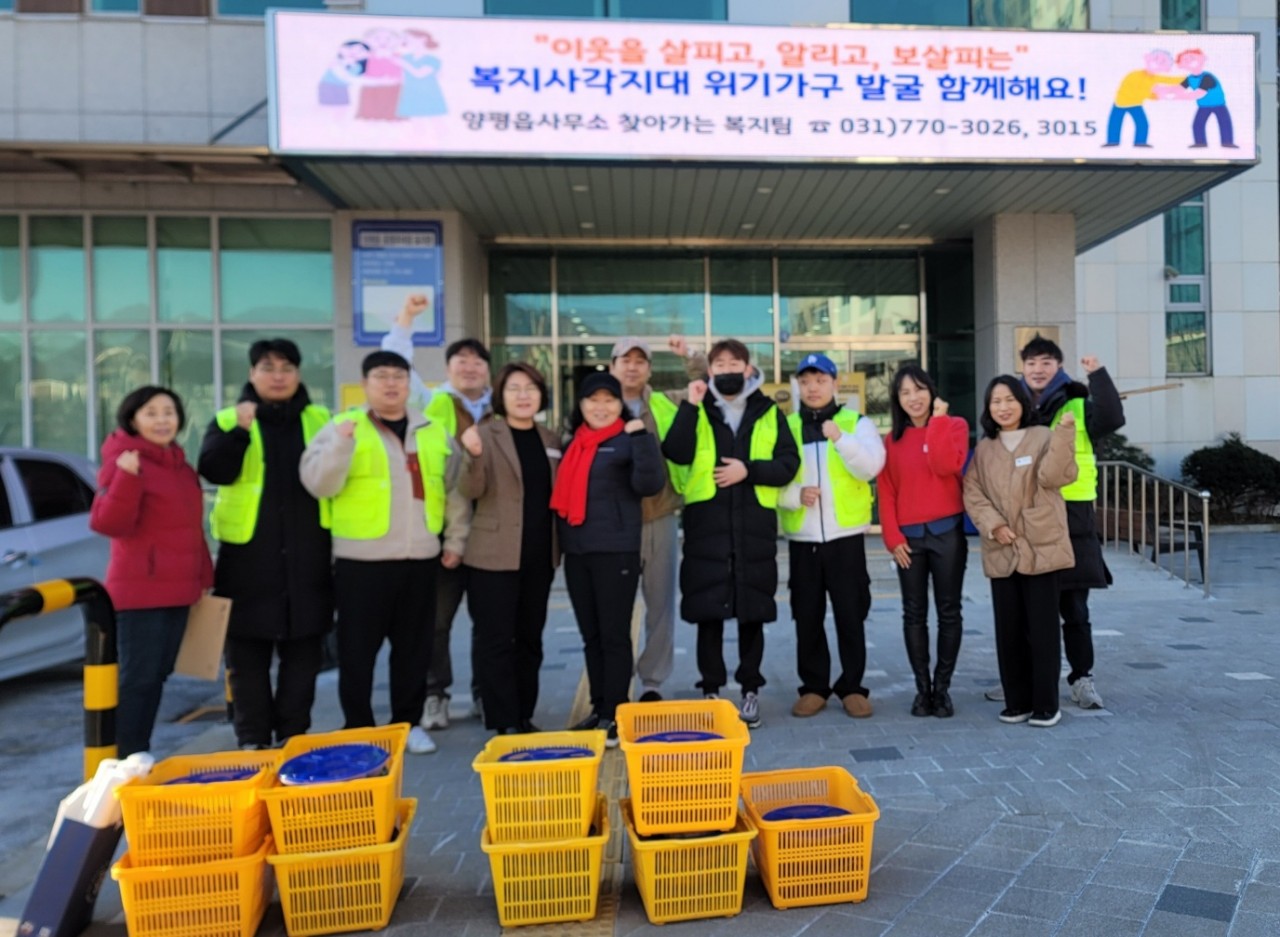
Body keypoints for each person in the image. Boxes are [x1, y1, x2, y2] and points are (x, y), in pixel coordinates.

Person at [300, 351, 468, 755]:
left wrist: (455, 540)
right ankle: (358, 726)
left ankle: (405, 725)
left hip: (420, 558)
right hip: (362, 561)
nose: (391, 384)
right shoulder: (342, 427)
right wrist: (340, 447)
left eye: (399, 376)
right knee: (358, 651)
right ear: (366, 383)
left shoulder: (431, 430)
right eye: (381, 376)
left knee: (414, 649)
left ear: (409, 383)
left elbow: (454, 491)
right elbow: (317, 483)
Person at [198, 338, 333, 751]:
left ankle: (293, 735)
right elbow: (214, 470)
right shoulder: (227, 419)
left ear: (298, 374)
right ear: (252, 374)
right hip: (247, 560)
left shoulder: (320, 419)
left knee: (304, 655)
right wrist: (239, 430)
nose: (278, 376)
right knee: (246, 659)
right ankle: (252, 738)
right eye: (268, 367)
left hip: (308, 557)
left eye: (287, 367)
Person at [661, 340, 800, 728]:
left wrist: (748, 470)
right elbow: (677, 452)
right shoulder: (698, 406)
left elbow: (789, 463)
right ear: (708, 369)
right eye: (718, 362)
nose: (726, 368)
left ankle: (750, 690)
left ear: (747, 368)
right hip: (707, 528)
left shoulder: (769, 410)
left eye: (733, 362)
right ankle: (711, 690)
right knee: (709, 612)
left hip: (754, 528)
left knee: (752, 611)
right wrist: (690, 404)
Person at [383, 293, 492, 731]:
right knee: (436, 623)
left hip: (492, 533)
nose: (469, 367)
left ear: (488, 368)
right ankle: (436, 695)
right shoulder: (433, 403)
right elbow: (399, 364)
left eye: (477, 361)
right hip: (444, 532)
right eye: (461, 361)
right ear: (448, 369)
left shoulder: (503, 406)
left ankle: (486, 694)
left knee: (490, 624)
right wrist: (407, 317)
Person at [90, 386, 213, 757]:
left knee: (156, 676)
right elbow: (108, 522)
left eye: (169, 412)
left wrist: (205, 579)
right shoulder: (124, 461)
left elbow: (193, 530)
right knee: (138, 680)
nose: (162, 420)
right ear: (132, 419)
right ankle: (125, 755)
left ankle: (137, 751)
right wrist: (127, 478)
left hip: (179, 591)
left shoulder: (179, 465)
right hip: (140, 593)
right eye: (151, 413)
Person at [555, 372, 665, 745]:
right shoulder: (575, 443)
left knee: (615, 635)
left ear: (621, 405)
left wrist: (641, 437)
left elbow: (649, 484)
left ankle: (615, 713)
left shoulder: (627, 440)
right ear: (581, 405)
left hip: (616, 551)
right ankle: (598, 707)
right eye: (592, 400)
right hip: (578, 553)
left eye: (609, 400)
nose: (600, 407)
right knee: (592, 636)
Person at [964, 376, 1078, 728]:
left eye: (1010, 399)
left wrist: (1065, 435)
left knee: (1042, 628)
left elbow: (1056, 477)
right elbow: (972, 491)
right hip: (1002, 546)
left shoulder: (1043, 436)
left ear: (1023, 402)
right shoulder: (984, 449)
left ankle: (1046, 704)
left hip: (1040, 543)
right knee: (1009, 628)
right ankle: (1017, 701)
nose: (1003, 407)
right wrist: (994, 524)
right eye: (995, 401)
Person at [777, 354, 885, 720]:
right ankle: (813, 687)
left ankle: (852, 686)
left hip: (846, 539)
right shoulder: (785, 426)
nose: (812, 387)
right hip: (802, 539)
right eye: (805, 381)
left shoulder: (856, 423)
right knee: (806, 615)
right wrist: (795, 496)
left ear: (835, 384)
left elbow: (871, 467)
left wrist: (840, 439)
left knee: (850, 614)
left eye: (820, 380)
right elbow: (770, 481)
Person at [1021, 336, 1125, 710]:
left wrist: (1097, 375)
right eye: (1031, 362)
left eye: (1046, 362)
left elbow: (1112, 417)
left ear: (1058, 366)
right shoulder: (1016, 408)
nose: (1038, 368)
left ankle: (1082, 678)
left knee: (1075, 609)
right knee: (1031, 608)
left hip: (1073, 517)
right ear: (1022, 367)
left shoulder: (1079, 405)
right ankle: (1028, 678)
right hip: (1030, 518)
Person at [457, 363, 560, 737]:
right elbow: (471, 490)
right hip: (492, 555)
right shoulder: (484, 433)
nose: (523, 395)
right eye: (514, 388)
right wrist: (470, 455)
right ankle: (502, 720)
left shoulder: (550, 439)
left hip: (538, 556)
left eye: (530, 388)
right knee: (496, 639)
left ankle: (524, 714)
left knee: (530, 639)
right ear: (501, 395)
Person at [607, 336, 701, 703]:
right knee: (615, 606)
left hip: (659, 515)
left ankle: (652, 682)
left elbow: (702, 389)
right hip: (614, 523)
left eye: (639, 361)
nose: (631, 366)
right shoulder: (599, 406)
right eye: (624, 360)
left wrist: (691, 356)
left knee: (660, 604)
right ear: (612, 365)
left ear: (648, 368)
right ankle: (614, 678)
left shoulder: (664, 402)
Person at [879, 365, 971, 719]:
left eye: (918, 390)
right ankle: (922, 690)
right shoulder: (891, 440)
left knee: (949, 612)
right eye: (904, 393)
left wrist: (938, 421)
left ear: (931, 392)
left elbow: (945, 464)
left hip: (947, 533)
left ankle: (943, 689)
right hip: (909, 540)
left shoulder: (954, 426)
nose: (913, 398)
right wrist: (892, 538)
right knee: (913, 614)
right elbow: (886, 491)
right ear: (897, 400)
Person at [1103, 49, 1186, 147]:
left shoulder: (1154, 78)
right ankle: (1112, 141)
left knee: (1142, 124)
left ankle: (1140, 142)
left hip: (1135, 103)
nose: (1157, 63)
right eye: (1156, 59)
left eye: (1162, 62)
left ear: (1166, 69)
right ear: (1147, 58)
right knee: (1115, 123)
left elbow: (1169, 80)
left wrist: (1187, 79)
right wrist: (1155, 95)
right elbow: (1136, 91)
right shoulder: (1134, 75)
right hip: (1121, 102)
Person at [1176, 49, 1235, 148]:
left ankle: (1227, 143)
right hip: (1203, 106)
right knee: (1198, 124)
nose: (1190, 61)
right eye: (1185, 60)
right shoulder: (1189, 78)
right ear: (1181, 65)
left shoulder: (1207, 77)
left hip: (1219, 105)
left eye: (1192, 58)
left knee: (1224, 123)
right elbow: (1178, 88)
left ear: (1203, 59)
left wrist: (1182, 97)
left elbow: (1200, 93)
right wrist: (1163, 92)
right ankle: (1200, 143)